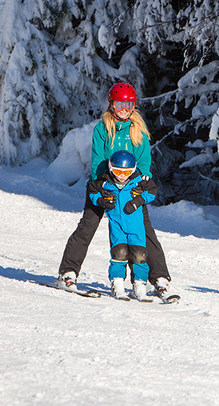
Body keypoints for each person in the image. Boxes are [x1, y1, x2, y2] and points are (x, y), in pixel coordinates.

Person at [57, 82, 174, 299]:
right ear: (111, 104)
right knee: (87, 226)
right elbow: (99, 161)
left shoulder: (138, 129)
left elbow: (144, 162)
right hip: (104, 185)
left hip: (130, 188)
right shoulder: (103, 128)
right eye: (119, 104)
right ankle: (67, 273)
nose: (124, 109)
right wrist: (101, 187)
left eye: (128, 104)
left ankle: (159, 278)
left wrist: (139, 187)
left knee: (144, 231)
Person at [88, 151, 157, 299]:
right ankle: (117, 285)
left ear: (133, 170)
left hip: (136, 227)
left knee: (140, 255)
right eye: (118, 171)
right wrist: (102, 201)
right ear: (111, 169)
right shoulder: (105, 182)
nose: (122, 176)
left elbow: (152, 190)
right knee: (119, 253)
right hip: (117, 226)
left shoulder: (138, 181)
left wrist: (138, 201)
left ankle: (139, 286)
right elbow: (92, 190)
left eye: (126, 172)